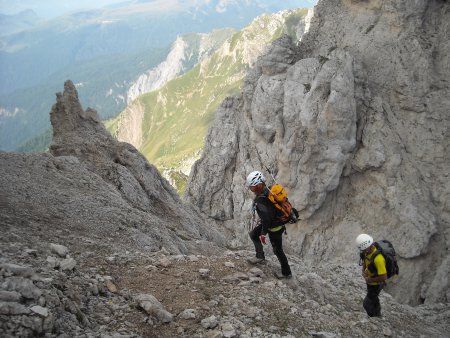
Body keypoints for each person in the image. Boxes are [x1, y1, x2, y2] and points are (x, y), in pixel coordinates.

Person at [246, 170, 292, 279]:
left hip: (274, 227)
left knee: (278, 250)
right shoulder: (270, 190)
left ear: (258, 185)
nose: (251, 190)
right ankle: (260, 256)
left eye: (252, 187)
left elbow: (267, 220)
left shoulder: (260, 200)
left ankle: (287, 273)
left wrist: (263, 233)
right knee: (253, 234)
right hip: (276, 222)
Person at [356, 233, 388, 317]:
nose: (363, 251)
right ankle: (377, 314)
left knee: (367, 304)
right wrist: (364, 270)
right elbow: (365, 260)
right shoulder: (366, 252)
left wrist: (370, 279)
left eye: (364, 250)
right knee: (373, 298)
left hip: (376, 284)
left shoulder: (378, 259)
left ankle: (375, 317)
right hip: (371, 282)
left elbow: (384, 276)